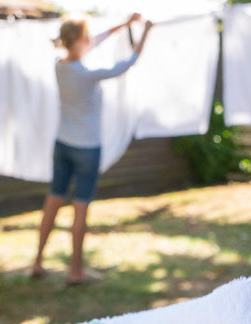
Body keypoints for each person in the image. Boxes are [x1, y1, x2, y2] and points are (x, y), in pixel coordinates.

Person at [32, 13, 154, 285]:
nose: (90, 41)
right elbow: (128, 63)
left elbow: (92, 42)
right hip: (87, 150)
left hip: (62, 145)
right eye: (86, 38)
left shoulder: (59, 66)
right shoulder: (86, 75)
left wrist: (123, 23)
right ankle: (76, 271)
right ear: (77, 41)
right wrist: (145, 31)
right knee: (80, 210)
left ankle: (37, 262)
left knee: (53, 202)